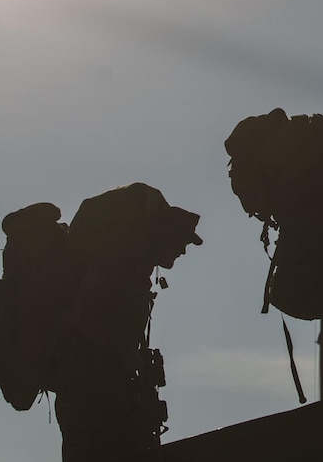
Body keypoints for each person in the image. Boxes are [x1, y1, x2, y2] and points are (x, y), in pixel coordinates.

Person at [53, 183, 202, 462]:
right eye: (181, 241)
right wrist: (123, 352)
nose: (182, 251)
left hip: (106, 396)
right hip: (91, 397)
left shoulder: (133, 271)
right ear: (164, 233)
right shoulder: (114, 269)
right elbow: (76, 319)